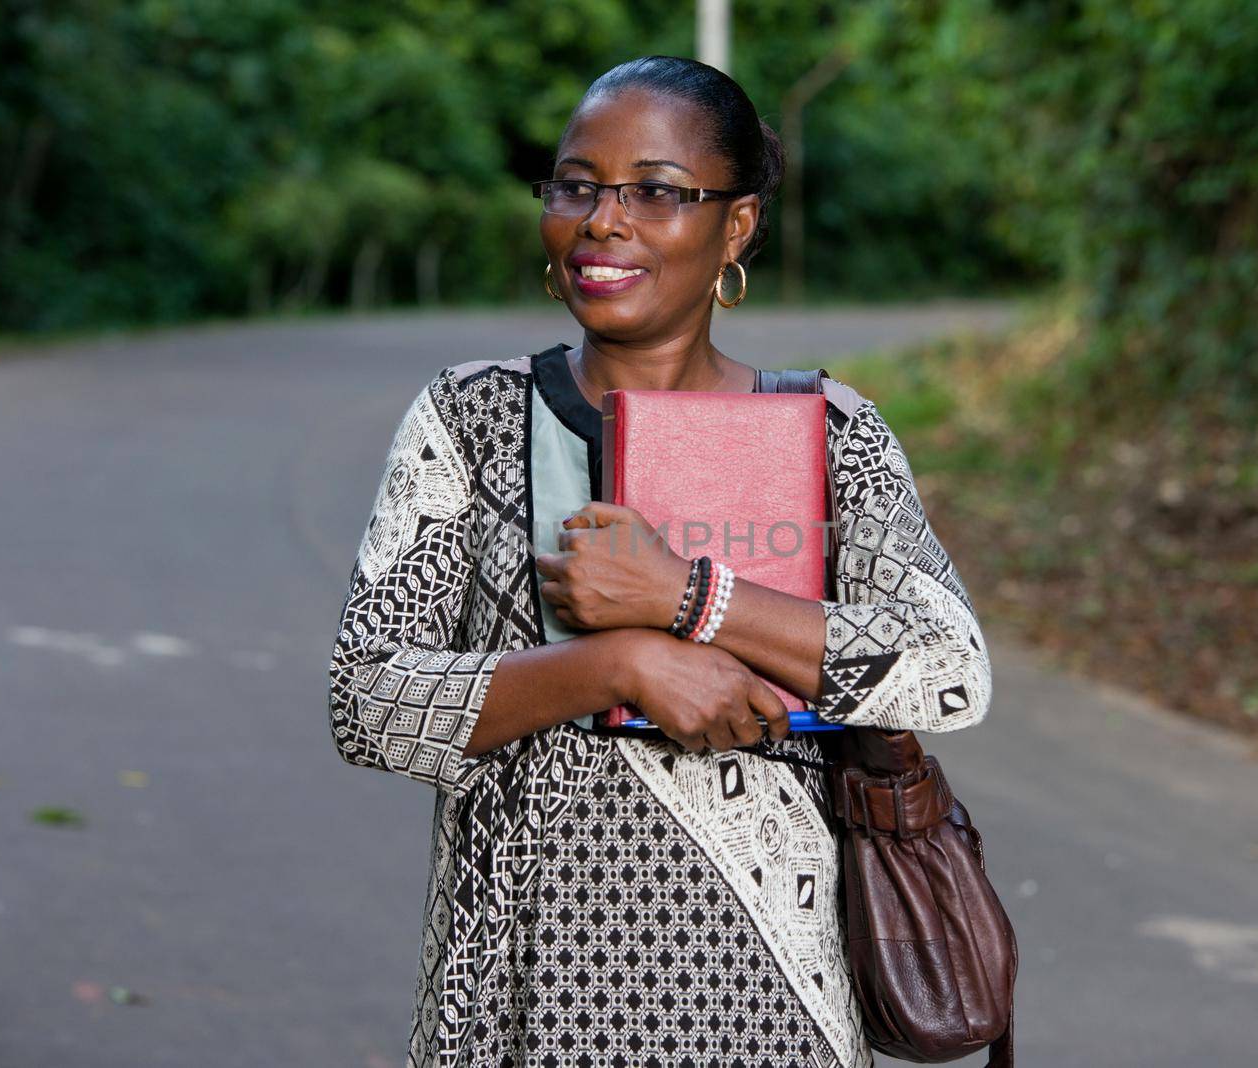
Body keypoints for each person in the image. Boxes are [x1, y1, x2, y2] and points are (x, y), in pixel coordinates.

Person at [327, 54, 993, 1068]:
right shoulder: (469, 418)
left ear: (737, 224)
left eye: (656, 191)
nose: (602, 219)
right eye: (576, 184)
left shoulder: (825, 431)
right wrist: (618, 665)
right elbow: (368, 703)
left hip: (771, 996)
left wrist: (691, 597)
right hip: (517, 993)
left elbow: (947, 672)